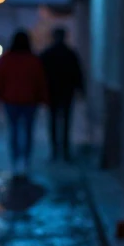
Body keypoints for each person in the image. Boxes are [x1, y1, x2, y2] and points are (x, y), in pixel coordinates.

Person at [0, 31, 49, 177]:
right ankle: (25, 160)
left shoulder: (7, 59)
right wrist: (42, 98)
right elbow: (40, 81)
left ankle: (16, 160)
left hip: (11, 100)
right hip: (29, 100)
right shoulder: (33, 60)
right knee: (28, 131)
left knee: (14, 130)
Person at [39, 28, 84, 161]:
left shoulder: (48, 53)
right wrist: (80, 89)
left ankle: (56, 150)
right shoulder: (69, 53)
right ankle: (63, 150)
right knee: (64, 122)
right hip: (65, 92)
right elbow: (77, 73)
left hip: (54, 92)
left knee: (53, 121)